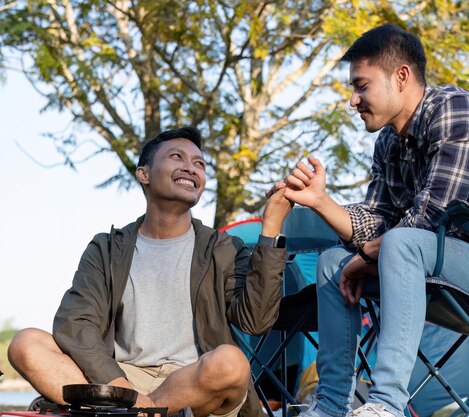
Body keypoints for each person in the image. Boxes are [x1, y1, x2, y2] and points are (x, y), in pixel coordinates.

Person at [270, 24, 469, 417]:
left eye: (361, 86)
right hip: (438, 272)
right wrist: (322, 203)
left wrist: (370, 254)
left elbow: (431, 216)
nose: (352, 100)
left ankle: (386, 404)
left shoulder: (456, 109)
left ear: (401, 77)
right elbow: (377, 222)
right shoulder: (388, 143)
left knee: (402, 242)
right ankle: (329, 405)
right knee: (330, 265)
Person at [8, 127, 292, 417]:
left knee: (232, 363)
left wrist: (270, 228)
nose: (190, 168)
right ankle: (143, 412)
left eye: (199, 164)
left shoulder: (223, 248)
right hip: (121, 378)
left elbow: (256, 321)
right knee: (26, 343)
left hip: (194, 384)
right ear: (144, 174)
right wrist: (120, 386)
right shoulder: (107, 249)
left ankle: (130, 413)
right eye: (177, 157)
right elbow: (76, 323)